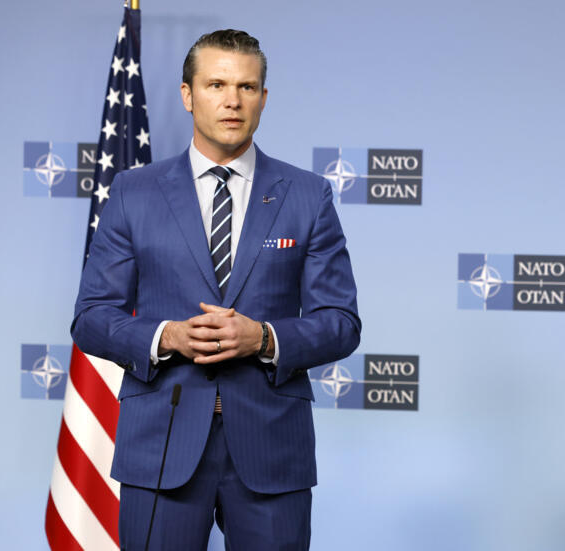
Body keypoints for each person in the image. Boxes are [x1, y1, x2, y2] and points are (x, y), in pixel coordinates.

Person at [72, 29, 360, 550]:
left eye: (247, 87)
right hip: (161, 444)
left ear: (263, 98)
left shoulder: (308, 195)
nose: (232, 100)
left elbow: (340, 322)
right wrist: (167, 337)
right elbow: (92, 316)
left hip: (272, 447)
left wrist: (265, 339)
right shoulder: (133, 192)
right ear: (187, 94)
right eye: (216, 85)